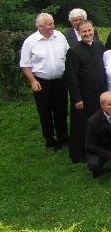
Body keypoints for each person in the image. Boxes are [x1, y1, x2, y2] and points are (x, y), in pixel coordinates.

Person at [19, 13, 70, 152]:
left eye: (53, 23)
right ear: (40, 26)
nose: (52, 26)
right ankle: (50, 141)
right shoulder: (31, 41)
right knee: (45, 111)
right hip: (41, 82)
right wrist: (33, 81)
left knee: (61, 110)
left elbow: (68, 54)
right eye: (49, 24)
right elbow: (25, 64)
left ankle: (63, 139)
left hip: (60, 80)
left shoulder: (60, 36)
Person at [65, 20, 107, 164]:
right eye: (84, 31)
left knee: (100, 121)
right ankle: (83, 153)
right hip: (84, 95)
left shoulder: (98, 45)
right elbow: (72, 77)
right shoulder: (73, 51)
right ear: (78, 32)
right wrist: (77, 98)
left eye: (89, 30)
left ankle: (101, 148)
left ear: (93, 30)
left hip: (100, 92)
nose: (88, 33)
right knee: (85, 124)